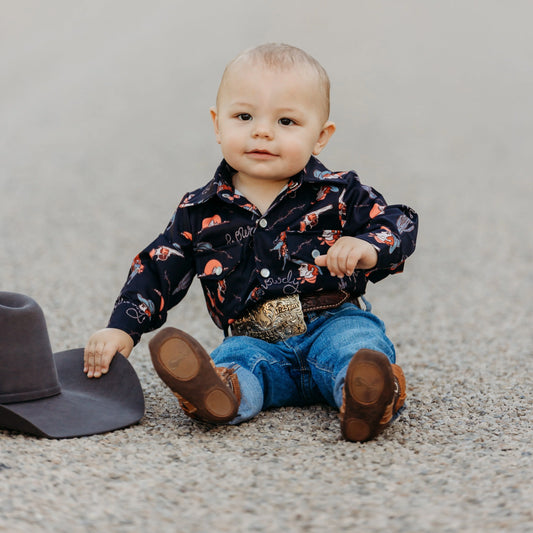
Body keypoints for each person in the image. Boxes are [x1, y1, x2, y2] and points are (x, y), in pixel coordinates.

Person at [84, 43, 418, 442]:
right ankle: (220, 394)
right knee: (236, 363)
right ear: (217, 124)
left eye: (287, 122)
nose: (262, 131)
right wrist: (121, 329)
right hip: (252, 338)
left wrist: (367, 247)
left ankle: (368, 396)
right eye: (244, 116)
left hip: (333, 320)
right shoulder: (199, 210)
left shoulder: (341, 194)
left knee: (357, 348)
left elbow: (398, 222)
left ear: (321, 136)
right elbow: (157, 267)